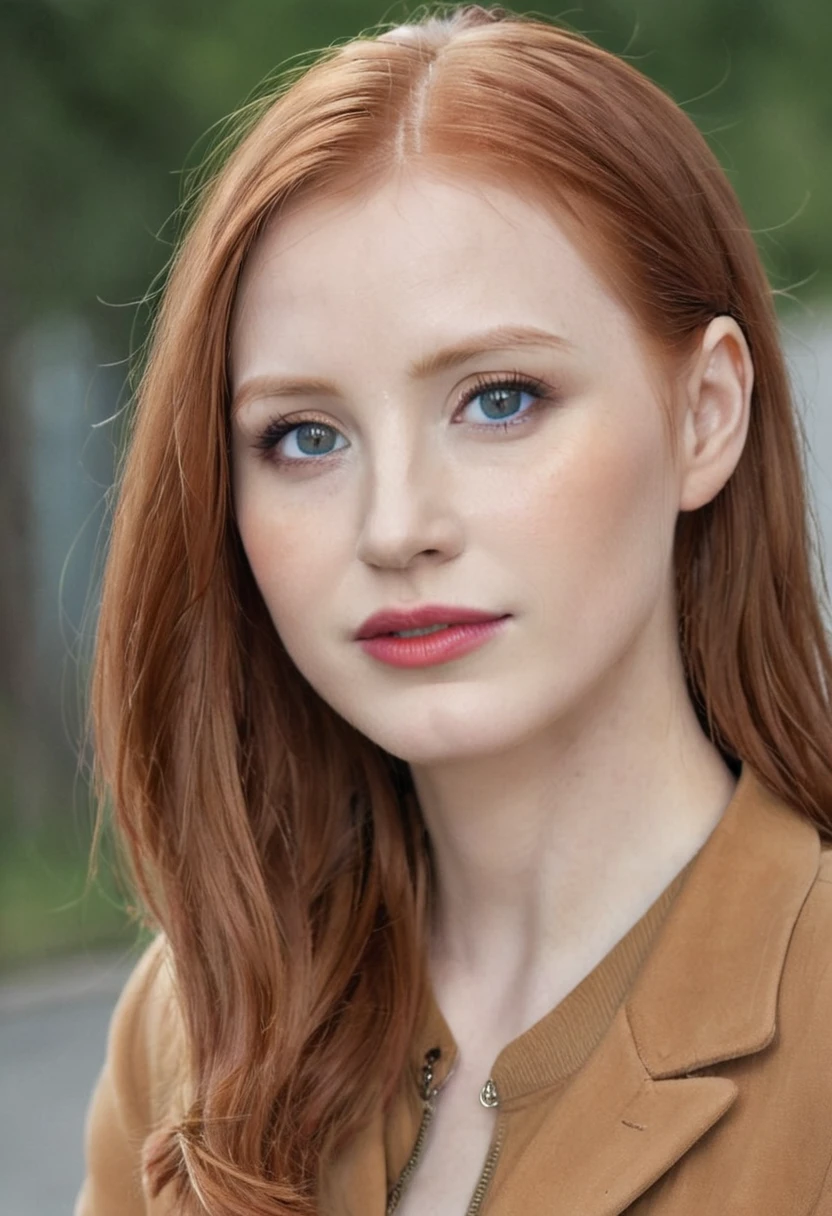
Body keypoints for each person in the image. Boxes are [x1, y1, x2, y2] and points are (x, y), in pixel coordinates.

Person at [75, 5, 832, 1215]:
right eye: (304, 436)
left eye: (498, 400)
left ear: (705, 415)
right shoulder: (192, 1023)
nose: (393, 526)